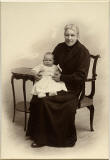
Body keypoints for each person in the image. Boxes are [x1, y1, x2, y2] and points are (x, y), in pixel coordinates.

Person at [26, 24, 90, 148]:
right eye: (67, 35)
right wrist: (40, 72)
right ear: (64, 35)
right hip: (55, 82)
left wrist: (62, 77)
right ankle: (37, 134)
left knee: (45, 100)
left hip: (72, 88)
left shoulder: (83, 52)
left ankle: (47, 139)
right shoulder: (60, 47)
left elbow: (81, 77)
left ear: (78, 36)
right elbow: (50, 63)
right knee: (38, 96)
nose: (69, 38)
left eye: (72, 35)